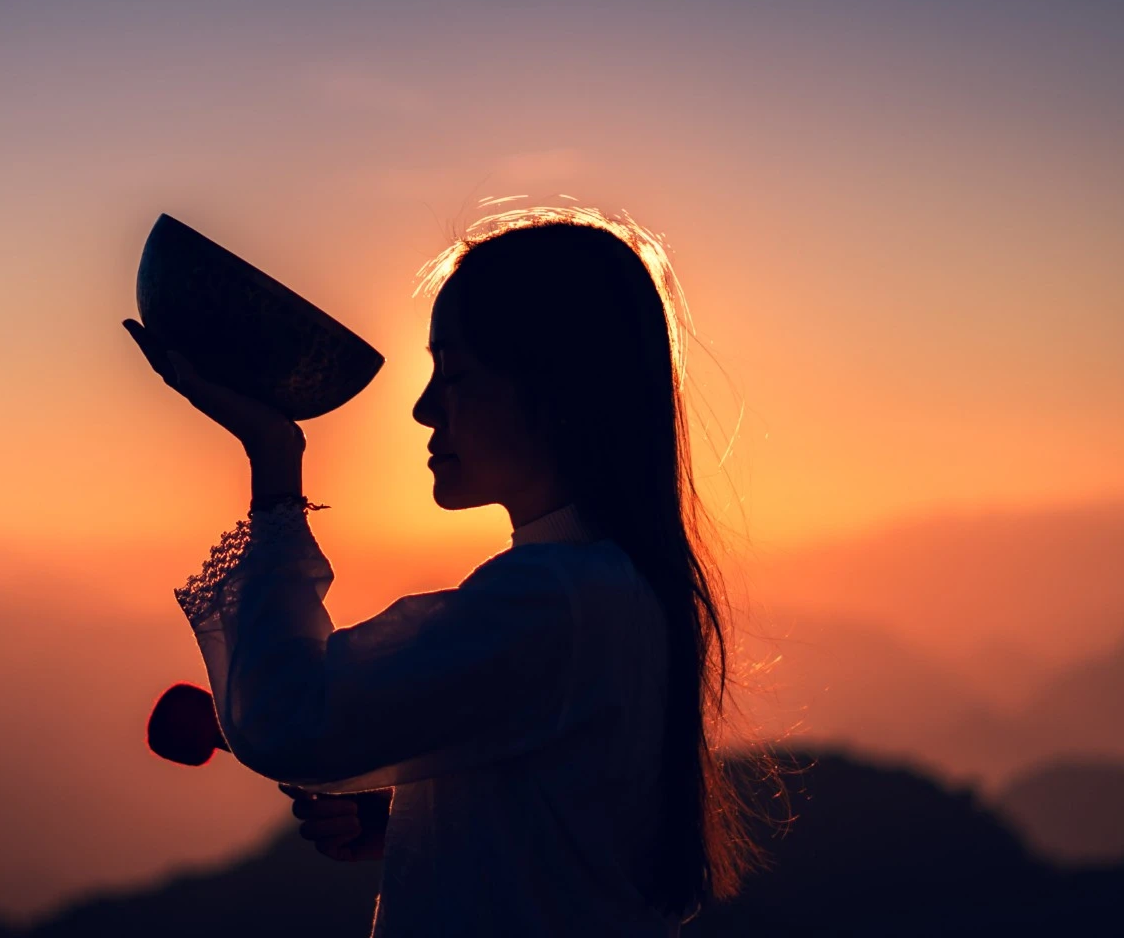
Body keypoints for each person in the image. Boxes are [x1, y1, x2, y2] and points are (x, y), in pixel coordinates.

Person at [122, 206, 755, 936]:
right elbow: (569, 830)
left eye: (451, 373)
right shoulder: (614, 586)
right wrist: (426, 818)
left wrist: (273, 456)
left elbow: (287, 722)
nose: (424, 409)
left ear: (554, 392)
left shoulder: (553, 602)